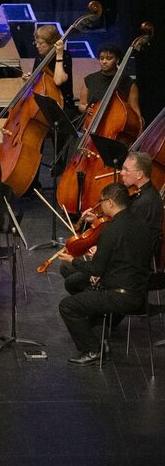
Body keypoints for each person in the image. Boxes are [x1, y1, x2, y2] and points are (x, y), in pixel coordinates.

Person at [58, 182, 154, 365]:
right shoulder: (141, 224)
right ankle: (102, 340)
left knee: (68, 306)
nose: (100, 205)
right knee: (88, 293)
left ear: (110, 203)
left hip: (120, 295)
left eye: (101, 201)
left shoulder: (111, 229)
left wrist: (72, 260)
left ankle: (92, 350)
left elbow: (96, 269)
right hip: (139, 290)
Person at [62, 151, 164, 292]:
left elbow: (129, 242)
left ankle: (102, 299)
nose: (121, 173)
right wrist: (97, 220)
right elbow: (122, 227)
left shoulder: (145, 203)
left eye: (126, 169)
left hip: (128, 267)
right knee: (66, 268)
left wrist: (102, 252)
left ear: (139, 174)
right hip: (122, 253)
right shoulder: (139, 194)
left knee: (72, 281)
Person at [78, 42, 140, 120]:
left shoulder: (128, 82)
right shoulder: (89, 79)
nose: (104, 62)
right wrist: (87, 109)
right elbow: (82, 105)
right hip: (93, 121)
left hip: (117, 122)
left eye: (109, 58)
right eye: (101, 58)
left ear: (117, 60)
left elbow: (135, 110)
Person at [31, 24, 74, 112]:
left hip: (63, 106)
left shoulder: (65, 56)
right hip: (44, 103)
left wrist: (59, 55)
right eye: (36, 42)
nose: (37, 46)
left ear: (52, 44)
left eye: (41, 43)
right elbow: (37, 83)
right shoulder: (40, 57)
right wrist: (30, 79)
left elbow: (58, 81)